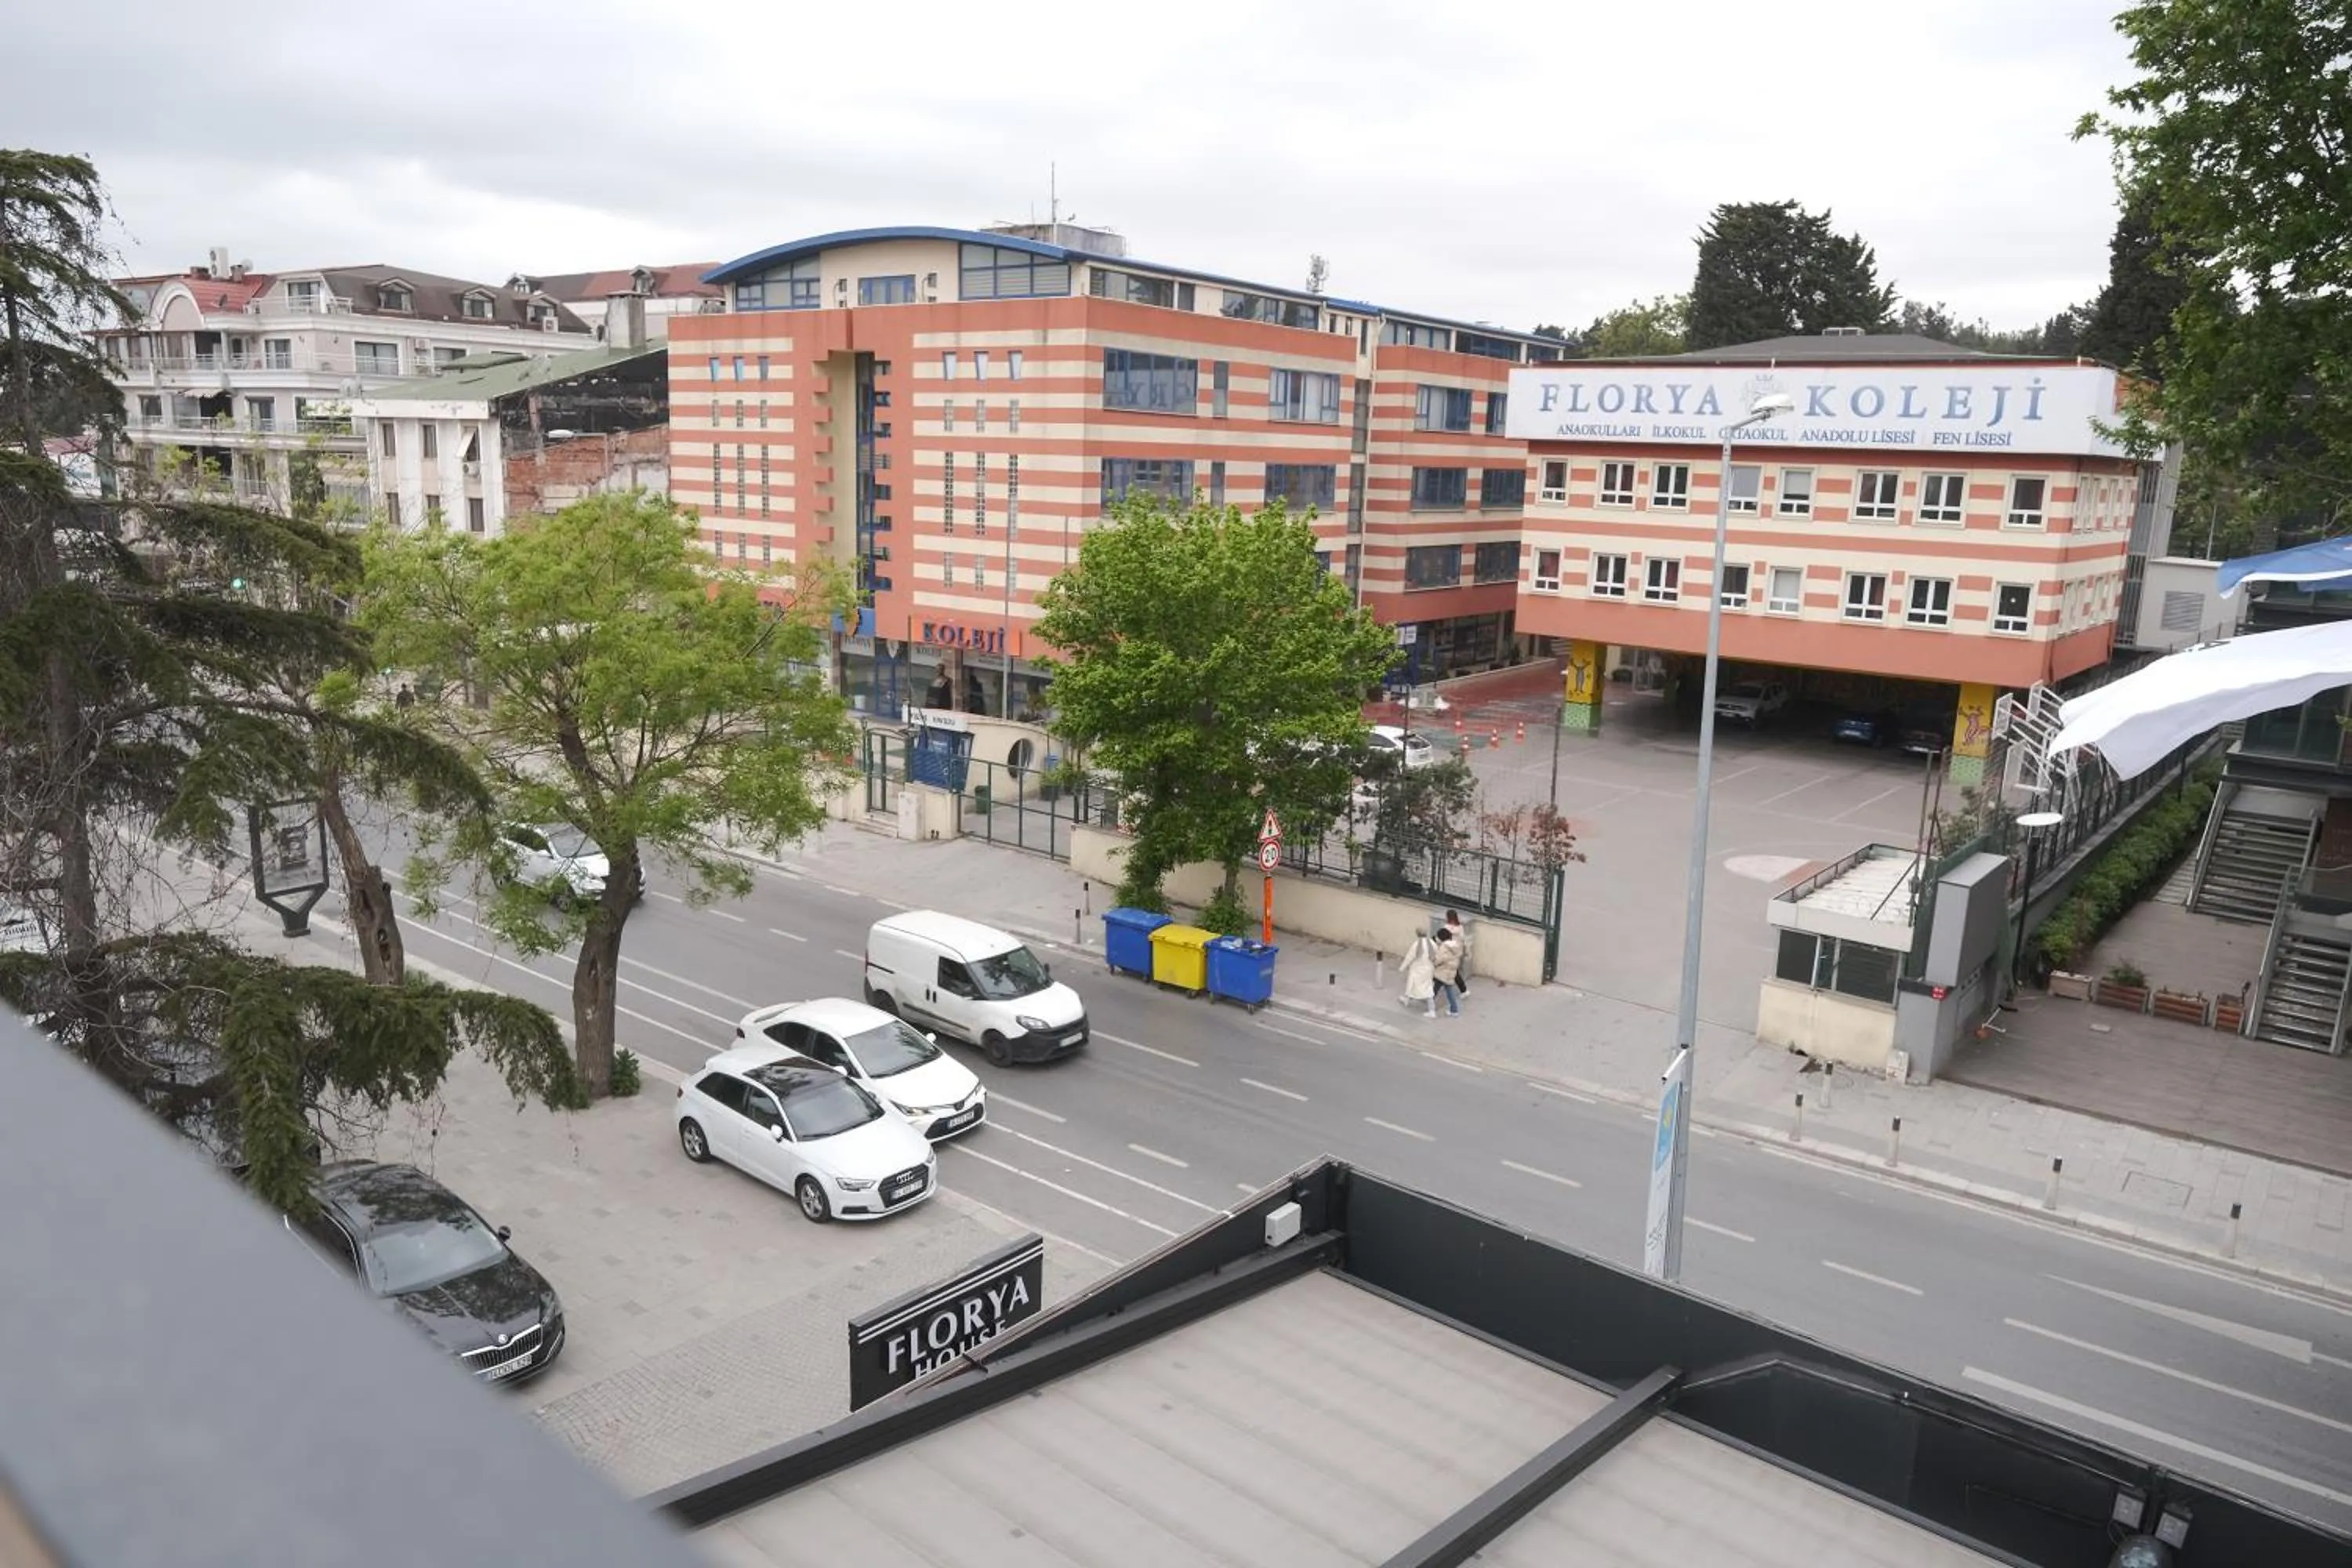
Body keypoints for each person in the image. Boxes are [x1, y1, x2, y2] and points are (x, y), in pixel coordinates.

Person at [1399, 930, 1437, 1013]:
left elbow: (1410, 957)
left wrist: (1402, 968)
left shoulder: (1416, 944)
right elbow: (1436, 954)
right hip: (1429, 969)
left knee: (1412, 984)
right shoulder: (1432, 943)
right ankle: (1407, 999)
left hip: (1417, 969)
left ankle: (1432, 1010)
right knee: (1428, 986)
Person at [1429, 927, 1463, 1018]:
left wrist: (1434, 963)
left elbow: (1440, 959)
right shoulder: (1455, 946)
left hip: (1443, 971)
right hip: (1451, 971)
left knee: (1435, 990)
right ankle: (1454, 1010)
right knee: (1448, 990)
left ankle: (1430, 1008)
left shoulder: (1444, 947)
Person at [1445, 909, 1472, 996]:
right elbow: (1464, 940)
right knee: (1453, 969)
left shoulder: (1446, 927)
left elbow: (1444, 939)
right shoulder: (1460, 927)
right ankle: (1462, 989)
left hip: (1449, 950)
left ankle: (1462, 989)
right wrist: (1466, 950)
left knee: (1452, 970)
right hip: (1458, 951)